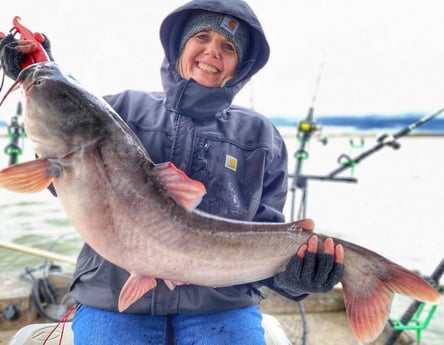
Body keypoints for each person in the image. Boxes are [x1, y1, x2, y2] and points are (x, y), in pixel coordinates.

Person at [0, 1, 344, 344]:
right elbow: (62, 160)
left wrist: (294, 277)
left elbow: (268, 236)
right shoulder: (122, 109)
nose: (213, 51)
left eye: (228, 47)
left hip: (221, 302)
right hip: (112, 292)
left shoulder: (261, 136)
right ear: (181, 43)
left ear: (241, 65)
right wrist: (36, 68)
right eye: (203, 37)